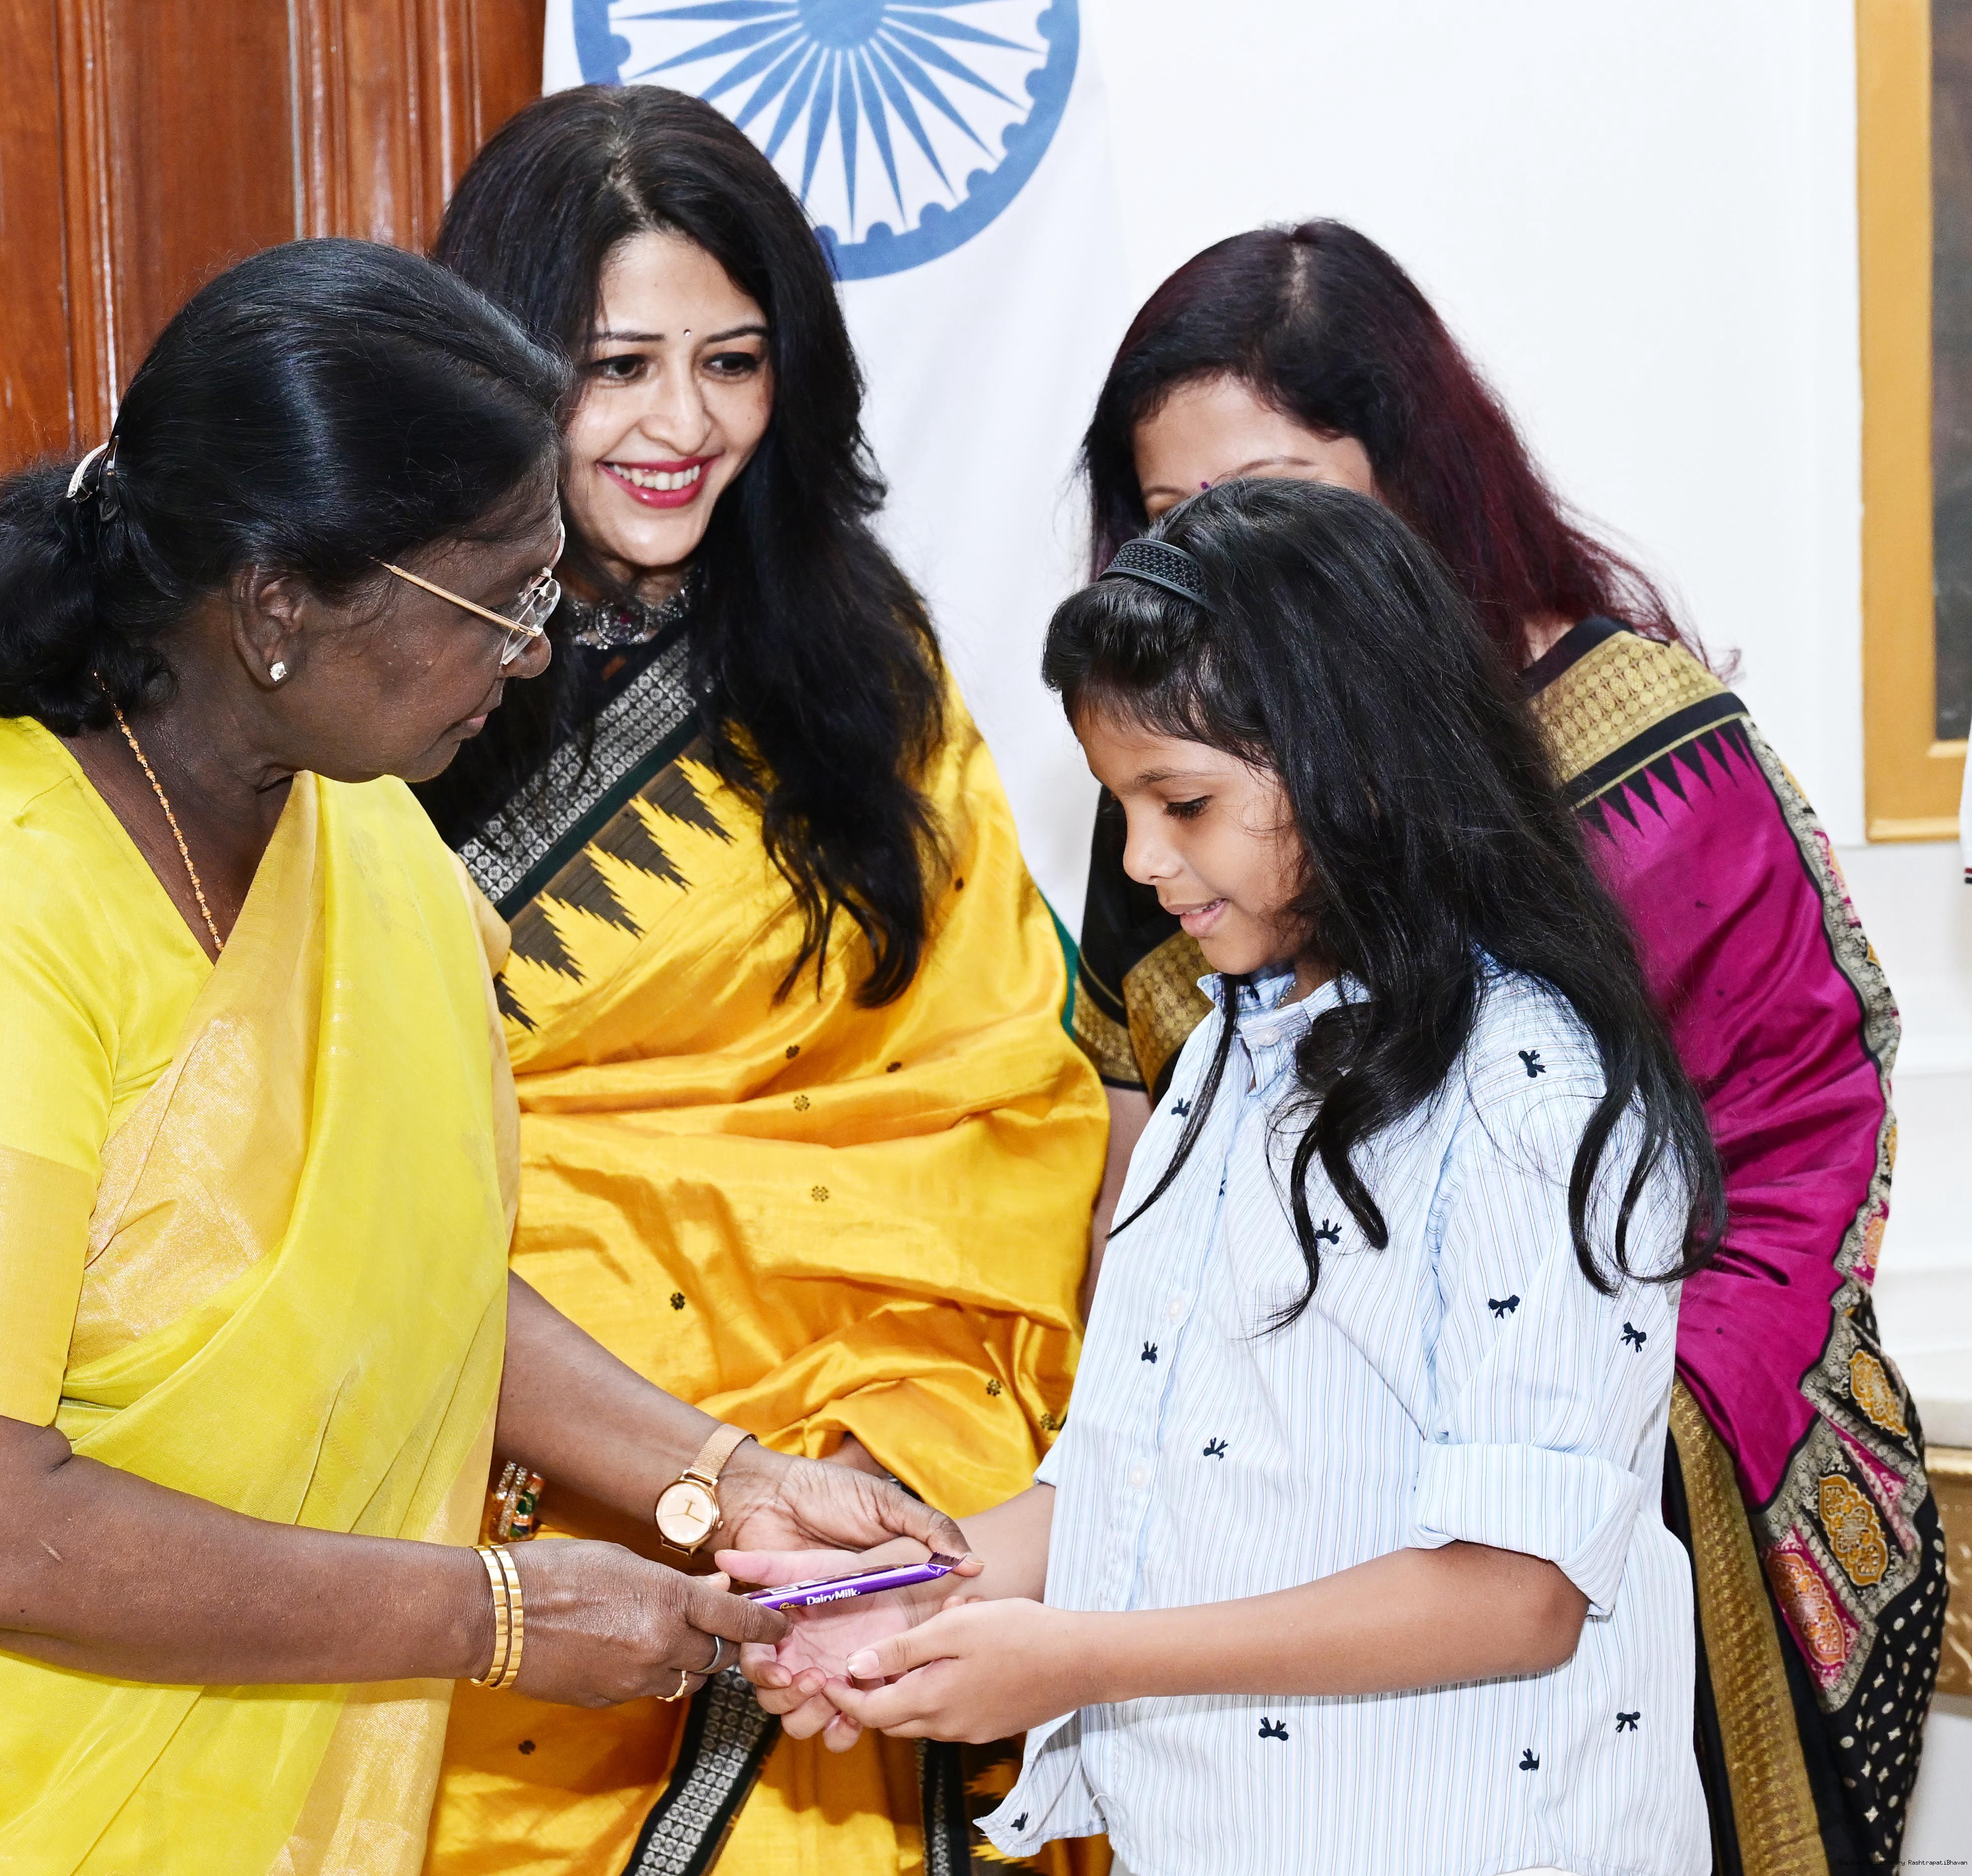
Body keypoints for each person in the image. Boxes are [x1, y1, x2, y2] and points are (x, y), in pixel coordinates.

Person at [0, 240, 966, 1873]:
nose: (531, 653)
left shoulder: (366, 844)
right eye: (500, 598)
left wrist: (721, 1481)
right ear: (279, 602)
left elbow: (398, 1280)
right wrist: (492, 1614)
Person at [1065, 223, 1941, 1876]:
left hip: (1602, 1489)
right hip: (1279, 1549)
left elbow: (1803, 1118)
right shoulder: (1178, 810)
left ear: (1411, 471)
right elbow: (1145, 1144)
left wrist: (1588, 1430)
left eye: (1274, 490)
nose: (1221, 556)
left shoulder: (1633, 756)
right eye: (1170, 518)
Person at [736, 477, 1728, 1876]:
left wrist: (1081, 1658)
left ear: (1358, 764)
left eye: (1183, 802)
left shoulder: (1529, 1090)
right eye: (1121, 806)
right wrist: (903, 1594)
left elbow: (1519, 1594)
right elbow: (1133, 1485)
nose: (1142, 861)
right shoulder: (1222, 1055)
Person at [414, 87, 1107, 1876]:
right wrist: (689, 1453)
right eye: (616, 367)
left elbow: (986, 1092)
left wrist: (857, 1449)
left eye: (730, 363)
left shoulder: (862, 664)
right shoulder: (386, 667)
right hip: (476, 1417)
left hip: (860, 1409)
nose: (682, 425)